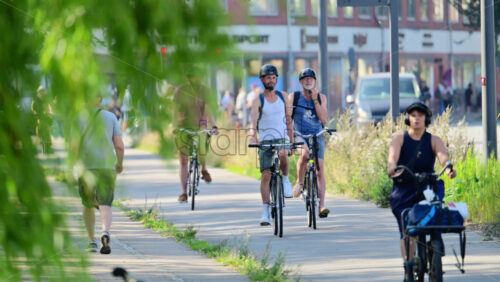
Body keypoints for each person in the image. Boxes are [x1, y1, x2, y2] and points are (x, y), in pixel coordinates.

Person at [387, 102, 456, 281]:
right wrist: (393, 167)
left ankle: (435, 247)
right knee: (407, 230)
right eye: (413, 115)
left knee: (435, 218)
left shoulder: (433, 140)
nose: (417, 118)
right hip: (404, 190)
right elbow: (392, 158)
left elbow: (443, 156)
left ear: (426, 118)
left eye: (420, 115)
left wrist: (448, 168)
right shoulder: (400, 139)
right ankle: (408, 268)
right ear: (408, 119)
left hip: (427, 189)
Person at [78, 96, 124, 254]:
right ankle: (105, 232)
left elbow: (73, 146)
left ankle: (91, 241)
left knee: (87, 204)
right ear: (100, 99)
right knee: (105, 203)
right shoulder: (111, 117)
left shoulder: (77, 118)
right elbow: (119, 146)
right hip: (106, 167)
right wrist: (119, 163)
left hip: (86, 167)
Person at [249, 64, 294, 226]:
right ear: (262, 80)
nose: (271, 80)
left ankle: (286, 179)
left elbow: (289, 120)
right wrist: (253, 137)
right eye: (268, 77)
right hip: (265, 141)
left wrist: (292, 139)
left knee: (283, 154)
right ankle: (265, 212)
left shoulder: (283, 96)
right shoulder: (258, 99)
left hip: (281, 137)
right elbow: (253, 121)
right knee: (266, 174)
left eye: (274, 77)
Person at [173, 69, 218, 203]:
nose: (195, 80)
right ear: (189, 78)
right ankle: (183, 192)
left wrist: (213, 124)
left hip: (200, 125)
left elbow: (208, 108)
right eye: (192, 77)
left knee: (202, 148)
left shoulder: (205, 90)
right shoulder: (180, 90)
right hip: (183, 125)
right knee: (183, 160)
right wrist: (174, 126)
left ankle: (203, 169)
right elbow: (175, 110)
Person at [291, 68, 330, 218]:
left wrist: (315, 99)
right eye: (305, 79)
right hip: (299, 134)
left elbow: (323, 119)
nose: (308, 80)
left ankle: (321, 206)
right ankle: (300, 182)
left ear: (315, 81)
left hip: (317, 134)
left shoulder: (321, 97)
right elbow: (288, 118)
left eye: (311, 79)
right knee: (305, 154)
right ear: (301, 82)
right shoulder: (293, 97)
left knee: (320, 171)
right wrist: (289, 138)